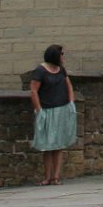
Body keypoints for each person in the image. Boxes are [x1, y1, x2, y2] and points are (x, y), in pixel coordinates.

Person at [29, 44, 77, 186]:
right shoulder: (40, 71)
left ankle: (56, 176)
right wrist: (39, 110)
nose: (63, 56)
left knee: (59, 145)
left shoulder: (61, 70)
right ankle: (47, 177)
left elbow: (69, 86)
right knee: (47, 145)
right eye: (61, 54)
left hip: (62, 109)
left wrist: (71, 102)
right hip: (47, 110)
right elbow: (33, 90)